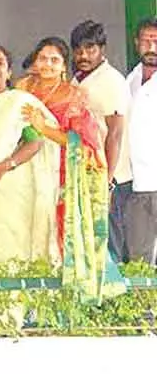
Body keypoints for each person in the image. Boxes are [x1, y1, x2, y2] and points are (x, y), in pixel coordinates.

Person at [19, 37, 123, 303]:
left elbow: (85, 143)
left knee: (58, 236)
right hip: (25, 173)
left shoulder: (74, 96)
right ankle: (29, 302)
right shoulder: (22, 90)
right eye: (43, 58)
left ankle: (64, 304)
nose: (48, 65)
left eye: (54, 60)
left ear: (63, 65)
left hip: (64, 176)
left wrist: (44, 128)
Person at [0, 43, 59, 264]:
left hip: (9, 185)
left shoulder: (18, 102)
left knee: (10, 250)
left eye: (0, 63)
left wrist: (5, 166)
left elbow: (35, 142)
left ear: (9, 72)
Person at [69, 20, 131, 263]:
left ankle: (116, 300)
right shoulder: (80, 79)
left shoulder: (111, 80)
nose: (83, 55)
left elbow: (115, 133)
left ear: (102, 49)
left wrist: (107, 182)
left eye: (90, 48)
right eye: (78, 49)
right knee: (91, 246)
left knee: (109, 246)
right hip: (86, 174)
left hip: (109, 179)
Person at [125, 18, 157, 263]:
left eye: (156, 41)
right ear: (137, 43)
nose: (151, 47)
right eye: (147, 40)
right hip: (136, 186)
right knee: (138, 258)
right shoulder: (130, 80)